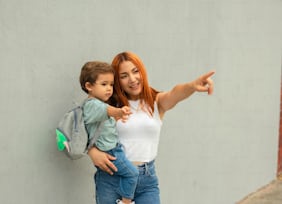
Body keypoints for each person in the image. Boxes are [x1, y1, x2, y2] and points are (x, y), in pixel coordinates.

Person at [87, 51, 215, 204]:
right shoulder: (108, 105)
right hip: (112, 178)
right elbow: (80, 130)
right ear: (117, 81)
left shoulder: (156, 102)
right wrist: (92, 151)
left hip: (146, 181)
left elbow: (175, 92)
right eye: (124, 76)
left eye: (135, 71)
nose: (132, 79)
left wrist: (192, 86)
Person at [79, 61, 139, 204]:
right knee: (132, 174)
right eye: (104, 84)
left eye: (111, 85)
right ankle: (126, 202)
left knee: (111, 178)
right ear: (89, 86)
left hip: (111, 150)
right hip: (110, 152)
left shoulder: (97, 103)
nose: (109, 89)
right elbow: (106, 111)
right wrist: (119, 111)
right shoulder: (92, 105)